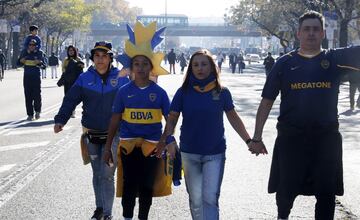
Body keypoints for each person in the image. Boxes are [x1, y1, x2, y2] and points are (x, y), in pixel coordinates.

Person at [249, 11, 360, 220]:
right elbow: (266, 102)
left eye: (316, 29)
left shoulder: (334, 59)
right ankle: (282, 216)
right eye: (306, 29)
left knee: (327, 193)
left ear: (323, 34)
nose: (311, 33)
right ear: (298, 34)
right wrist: (257, 137)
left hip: (326, 138)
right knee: (285, 190)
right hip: (291, 138)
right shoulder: (283, 63)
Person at [156, 49, 252, 220]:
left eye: (204, 64)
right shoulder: (183, 92)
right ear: (191, 68)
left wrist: (249, 140)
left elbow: (233, 118)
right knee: (196, 199)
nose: (200, 68)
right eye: (196, 65)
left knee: (210, 198)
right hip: (189, 152)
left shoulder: (222, 92)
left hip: (215, 153)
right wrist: (169, 139)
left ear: (212, 67)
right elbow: (171, 119)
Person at [103, 21, 177, 220]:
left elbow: (169, 121)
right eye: (137, 64)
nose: (141, 68)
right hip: (128, 146)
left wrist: (166, 141)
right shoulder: (123, 92)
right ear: (131, 67)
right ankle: (127, 217)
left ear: (151, 66)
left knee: (146, 186)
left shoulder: (160, 93)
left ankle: (143, 217)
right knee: (129, 184)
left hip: (153, 148)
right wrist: (108, 147)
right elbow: (114, 121)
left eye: (145, 64)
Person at [54, 41, 130, 220]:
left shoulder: (121, 78)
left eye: (104, 56)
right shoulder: (84, 78)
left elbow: (135, 98)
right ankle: (100, 209)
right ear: (93, 58)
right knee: (96, 174)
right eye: (97, 56)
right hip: (91, 135)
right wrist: (60, 120)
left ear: (110, 58)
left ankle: (108, 214)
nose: (100, 59)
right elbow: (70, 100)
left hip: (113, 136)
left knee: (107, 175)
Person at [17, 39, 46, 121]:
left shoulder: (40, 53)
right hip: (27, 77)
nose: (31, 46)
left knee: (37, 96)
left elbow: (44, 66)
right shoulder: (24, 52)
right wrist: (21, 61)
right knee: (28, 96)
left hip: (36, 77)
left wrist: (39, 63)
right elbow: (17, 64)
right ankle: (30, 114)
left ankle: (37, 111)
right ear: (28, 45)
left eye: (33, 45)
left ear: (36, 46)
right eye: (30, 45)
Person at [57, 45, 84, 117]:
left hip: (75, 81)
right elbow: (63, 70)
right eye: (69, 50)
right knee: (67, 96)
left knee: (74, 97)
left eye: (72, 50)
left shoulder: (78, 59)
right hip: (67, 81)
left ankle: (72, 111)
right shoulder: (66, 60)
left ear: (75, 51)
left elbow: (81, 70)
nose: (71, 52)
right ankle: (68, 110)